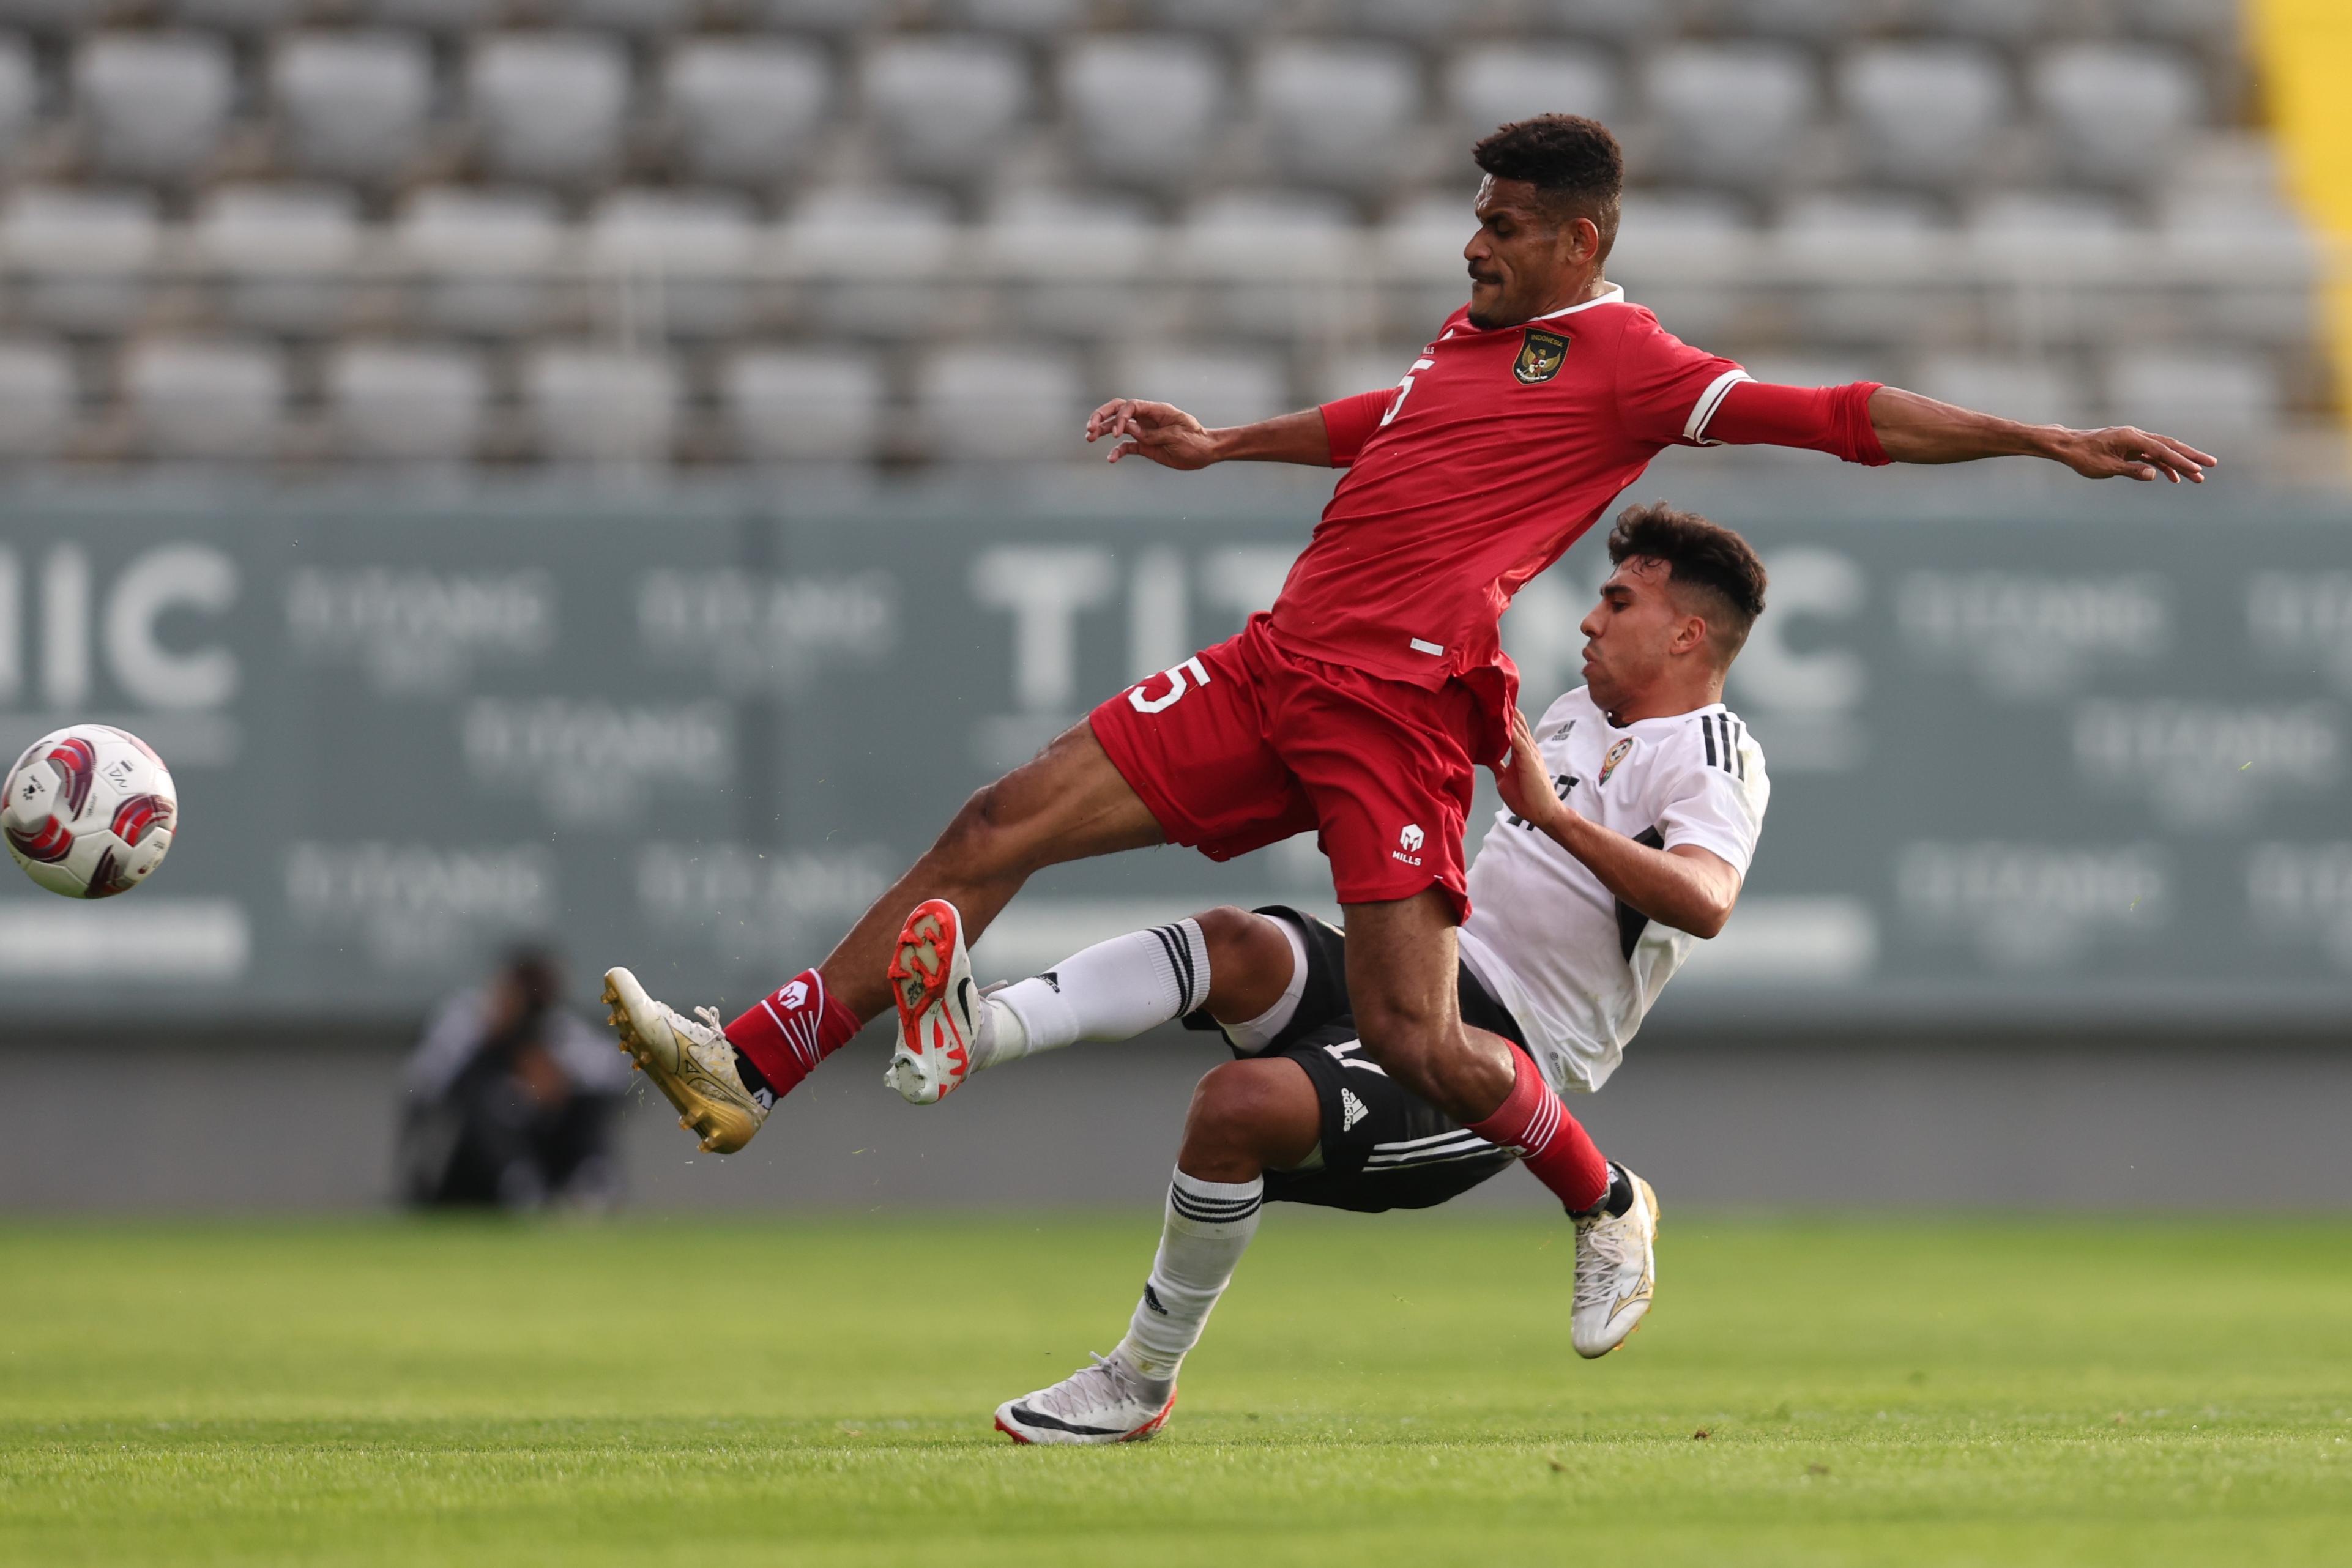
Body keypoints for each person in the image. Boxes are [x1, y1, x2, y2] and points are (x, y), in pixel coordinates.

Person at [600, 114, 2211, 1233]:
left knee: (1409, 1030)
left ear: (1578, 239)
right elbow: (1386, 420)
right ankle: (751, 1061)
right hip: (1278, 664)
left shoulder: (1637, 369)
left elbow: (1845, 412)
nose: (1474, 244)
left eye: (1503, 228)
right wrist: (1225, 441)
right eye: (1474, 221)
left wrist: (2043, 438)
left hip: (1399, 708)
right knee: (993, 822)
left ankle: (1602, 1201)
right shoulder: (1467, 346)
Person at [958, 505, 1770, 1441]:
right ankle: (984, 1030)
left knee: (1235, 1108)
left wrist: (1555, 818)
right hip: (1430, 969)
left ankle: (1138, 1379)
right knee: (1234, 944)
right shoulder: (1576, 710)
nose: (1590, 619)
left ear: (1686, 632)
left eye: (1618, 601)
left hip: (1505, 1052)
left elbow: (1706, 901)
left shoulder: (1714, 751)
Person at [398, 947, 631, 1211]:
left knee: (587, 1105)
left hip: (542, 1152)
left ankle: (590, 1189)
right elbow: (419, 1085)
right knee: (489, 1105)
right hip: (468, 1165)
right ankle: (521, 1190)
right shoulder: (467, 1021)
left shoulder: (558, 1029)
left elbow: (621, 1077)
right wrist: (487, 1045)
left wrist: (560, 1083)